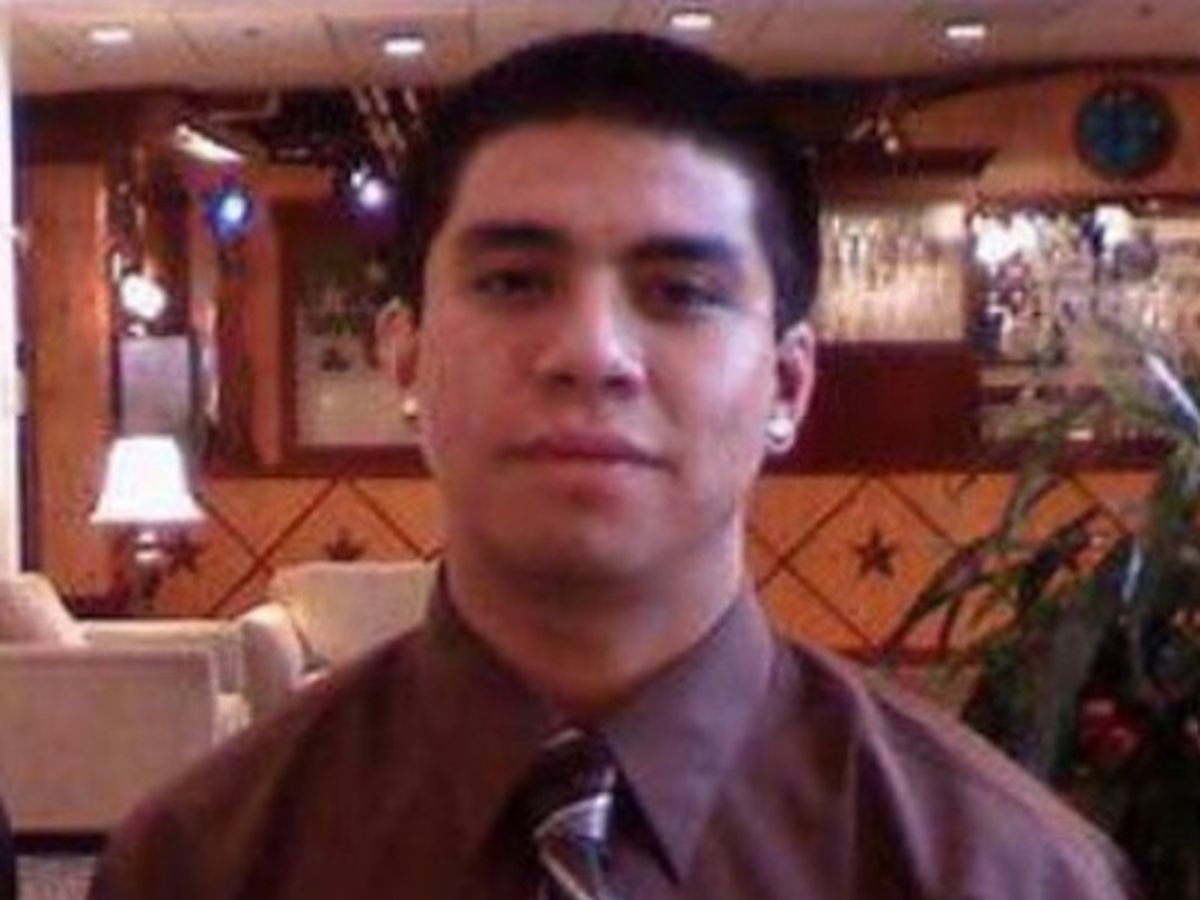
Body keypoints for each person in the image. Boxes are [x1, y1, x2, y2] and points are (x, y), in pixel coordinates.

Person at [90, 32, 1139, 900]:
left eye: (680, 292)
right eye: (514, 282)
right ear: (405, 359)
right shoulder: (201, 863)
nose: (592, 352)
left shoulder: (1003, 871)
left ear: (787, 385)